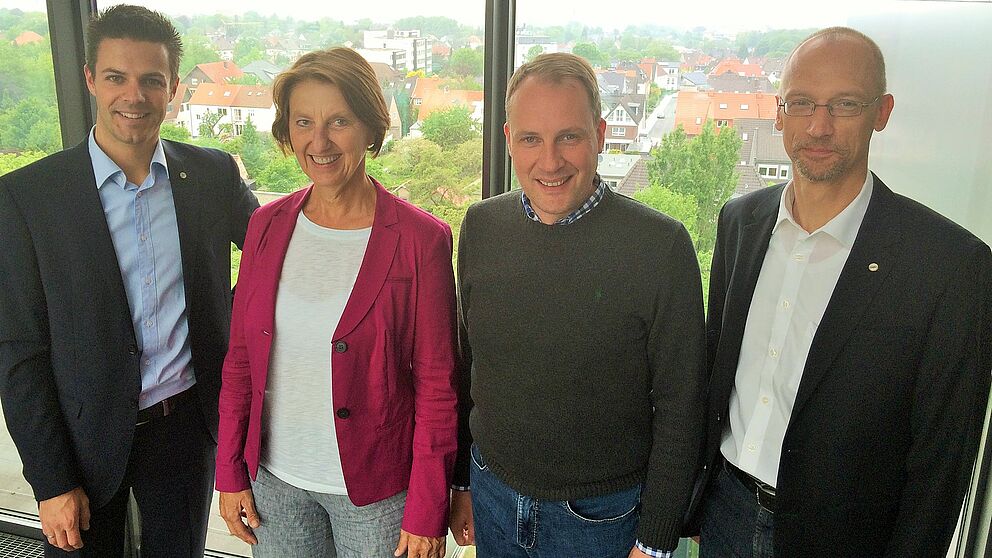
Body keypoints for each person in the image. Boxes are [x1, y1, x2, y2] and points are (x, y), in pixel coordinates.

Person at [697, 27, 992, 558]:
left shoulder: (950, 266)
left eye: (845, 104)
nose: (819, 125)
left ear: (882, 112)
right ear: (779, 112)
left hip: (845, 539)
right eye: (803, 103)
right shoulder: (740, 222)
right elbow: (717, 367)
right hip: (725, 514)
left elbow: (941, 465)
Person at [0, 5, 259, 557]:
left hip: (185, 429)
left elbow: (274, 251)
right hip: (81, 437)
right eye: (116, 77)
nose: (133, 96)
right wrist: (50, 482)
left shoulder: (212, 175)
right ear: (91, 79)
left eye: (152, 80)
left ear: (173, 91)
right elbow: (19, 353)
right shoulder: (28, 199)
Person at [448, 52, 706, 558]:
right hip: (492, 493)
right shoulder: (480, 227)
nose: (550, 161)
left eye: (569, 136)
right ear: (508, 140)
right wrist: (461, 482)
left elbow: (682, 406)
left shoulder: (660, 246)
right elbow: (468, 367)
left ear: (601, 135)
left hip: (601, 517)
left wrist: (654, 542)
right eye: (530, 139)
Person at [214, 47, 458, 558]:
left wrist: (427, 509)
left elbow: (437, 386)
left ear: (371, 128)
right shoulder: (266, 225)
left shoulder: (422, 240)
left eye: (339, 121)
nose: (319, 141)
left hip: (378, 495)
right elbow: (240, 361)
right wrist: (230, 471)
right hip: (275, 483)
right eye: (304, 122)